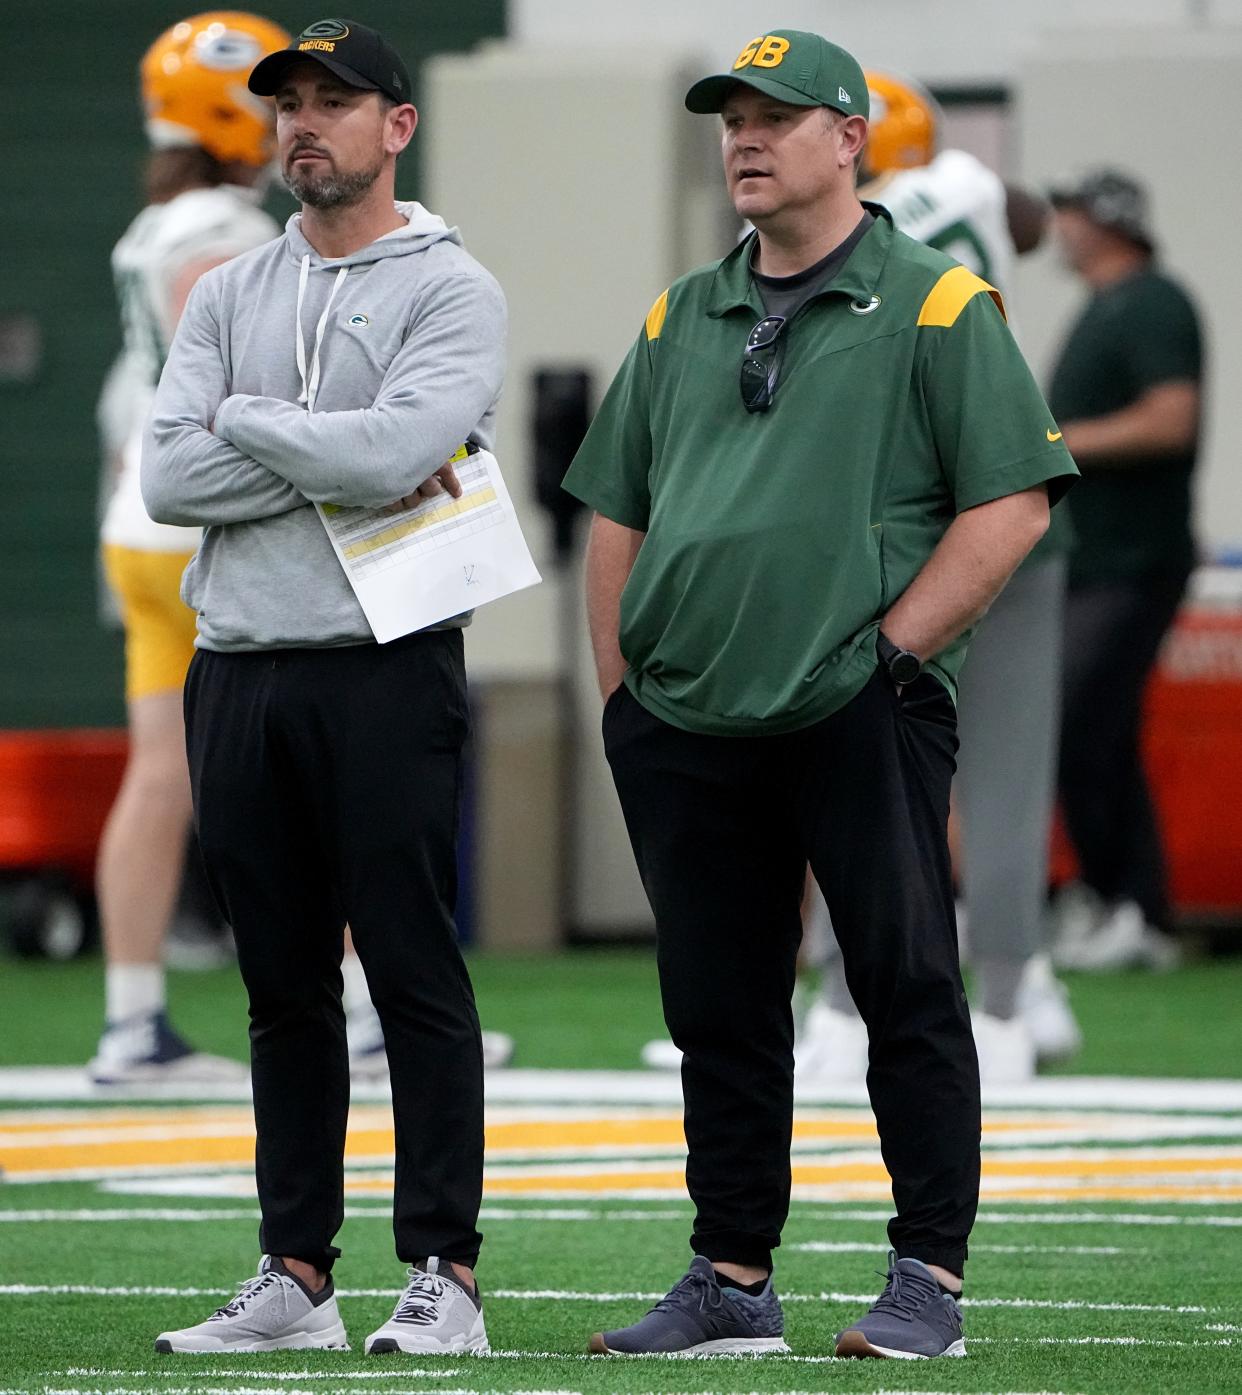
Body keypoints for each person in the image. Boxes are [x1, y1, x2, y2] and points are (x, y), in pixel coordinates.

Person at [562, 29, 1076, 1360]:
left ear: (846, 139)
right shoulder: (681, 311)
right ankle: (729, 1274)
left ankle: (927, 1280)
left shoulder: (938, 303)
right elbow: (615, 508)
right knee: (718, 1004)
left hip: (855, 705)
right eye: (730, 118)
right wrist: (624, 697)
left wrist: (889, 659)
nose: (742, 138)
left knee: (902, 983)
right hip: (686, 720)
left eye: (775, 118)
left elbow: (1010, 500)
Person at [142, 18, 504, 1356]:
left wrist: (240, 423)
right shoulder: (231, 288)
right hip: (236, 662)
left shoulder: (451, 286)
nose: (304, 122)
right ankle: (295, 1267)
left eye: (333, 101)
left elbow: (408, 445)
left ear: (394, 126)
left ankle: (446, 1273)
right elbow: (167, 478)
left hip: (384, 665)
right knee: (282, 985)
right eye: (287, 102)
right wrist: (320, 448)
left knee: (411, 967)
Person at [797, 70, 1082, 1084]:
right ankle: (1008, 1000)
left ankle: (840, 1009)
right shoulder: (963, 186)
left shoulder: (834, 231)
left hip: (903, 523)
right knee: (1005, 778)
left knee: (855, 759)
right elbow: (1034, 223)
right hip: (1009, 499)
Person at [89, 10, 290, 1087]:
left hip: (138, 533)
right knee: (310, 769)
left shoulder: (151, 221)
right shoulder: (224, 230)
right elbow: (238, 378)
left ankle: (131, 1023)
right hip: (205, 530)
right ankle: (352, 1005)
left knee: (158, 778)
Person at [1045, 169, 1203, 972]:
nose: (1060, 225)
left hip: (1133, 560)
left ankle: (1135, 904)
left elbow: (1172, 417)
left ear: (1106, 223)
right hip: (1093, 560)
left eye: (1072, 212)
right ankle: (1119, 900)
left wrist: (1059, 443)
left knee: (1083, 722)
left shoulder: (1152, 302)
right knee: (1091, 729)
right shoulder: (1104, 308)